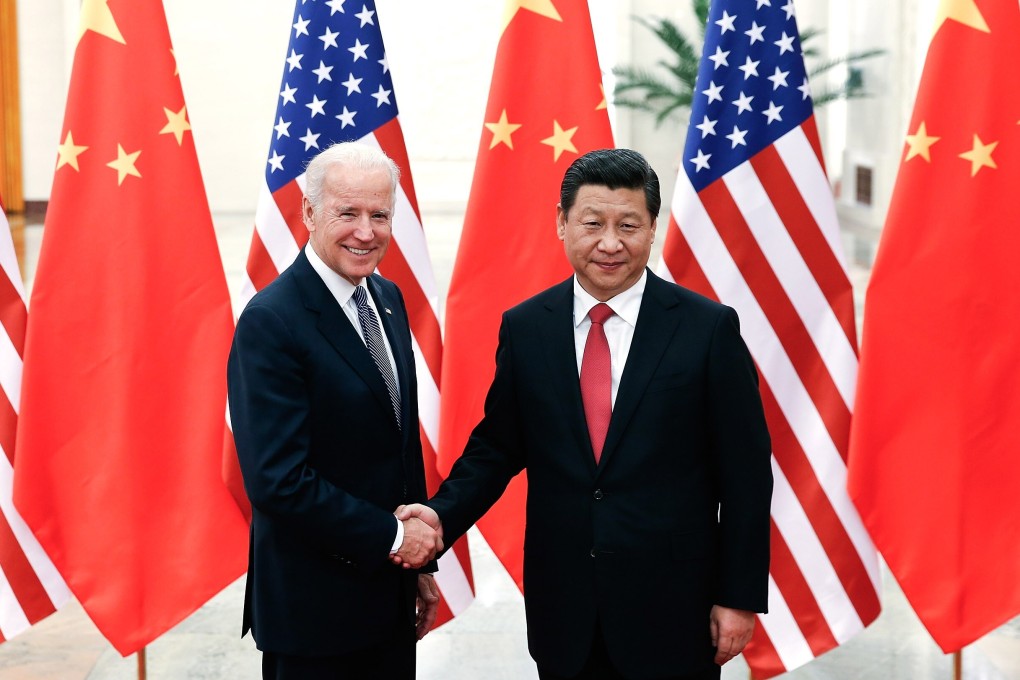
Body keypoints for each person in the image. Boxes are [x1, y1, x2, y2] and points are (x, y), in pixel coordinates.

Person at [398, 148, 773, 680]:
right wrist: (440, 517)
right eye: (592, 224)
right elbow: (497, 448)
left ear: (652, 228)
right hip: (565, 608)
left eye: (629, 225)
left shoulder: (707, 330)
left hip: (674, 609)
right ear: (561, 222)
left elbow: (747, 475)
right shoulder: (527, 328)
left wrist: (737, 596)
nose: (610, 243)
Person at [228, 142, 442, 680]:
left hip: (388, 602)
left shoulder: (388, 299)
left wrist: (419, 564)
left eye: (380, 215)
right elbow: (278, 481)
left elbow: (398, 444)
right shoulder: (272, 321)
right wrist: (395, 539)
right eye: (347, 213)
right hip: (314, 617)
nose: (365, 232)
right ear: (308, 213)